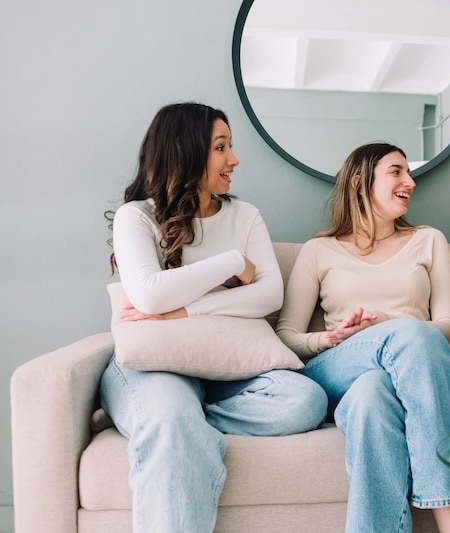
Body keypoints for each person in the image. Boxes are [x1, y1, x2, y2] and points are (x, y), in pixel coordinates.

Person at [100, 102, 328, 532]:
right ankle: (177, 416)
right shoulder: (138, 216)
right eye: (221, 147)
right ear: (186, 152)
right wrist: (229, 263)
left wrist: (186, 309)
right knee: (169, 419)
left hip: (227, 372)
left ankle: (193, 417)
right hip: (156, 367)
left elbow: (268, 295)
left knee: (305, 400)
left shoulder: (245, 216)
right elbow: (148, 297)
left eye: (230, 146)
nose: (234, 160)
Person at [276, 142, 450, 533]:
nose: (410, 182)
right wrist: (329, 340)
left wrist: (390, 325)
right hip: (339, 364)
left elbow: (449, 327)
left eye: (409, 173)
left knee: (372, 397)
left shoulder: (428, 240)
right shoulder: (319, 250)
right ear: (359, 183)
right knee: (403, 339)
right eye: (396, 172)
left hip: (406, 366)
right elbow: (287, 335)